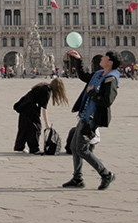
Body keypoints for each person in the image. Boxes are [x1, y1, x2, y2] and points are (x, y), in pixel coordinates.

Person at [61, 50, 118, 191]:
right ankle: (77, 178)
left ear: (110, 62)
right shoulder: (99, 74)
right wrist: (78, 60)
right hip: (85, 115)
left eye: (105, 57)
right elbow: (84, 76)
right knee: (74, 147)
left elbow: (107, 101)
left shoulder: (111, 79)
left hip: (92, 118)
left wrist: (92, 93)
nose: (102, 58)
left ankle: (106, 174)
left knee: (82, 149)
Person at [14, 78, 67, 154]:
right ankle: (34, 149)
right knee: (35, 128)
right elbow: (44, 108)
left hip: (24, 105)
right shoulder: (47, 91)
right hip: (29, 108)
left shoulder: (44, 85)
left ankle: (19, 147)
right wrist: (47, 123)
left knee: (24, 127)